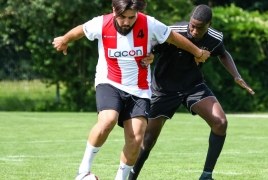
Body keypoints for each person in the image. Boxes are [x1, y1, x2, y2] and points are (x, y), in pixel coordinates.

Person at [52, 1, 210, 180]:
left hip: (139, 88)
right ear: (114, 11)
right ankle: (82, 172)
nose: (127, 22)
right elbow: (81, 30)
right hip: (109, 81)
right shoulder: (101, 23)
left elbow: (173, 38)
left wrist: (197, 52)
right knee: (107, 121)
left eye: (131, 17)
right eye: (122, 17)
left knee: (136, 138)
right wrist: (65, 40)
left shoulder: (149, 23)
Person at [128, 4, 255, 180]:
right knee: (148, 140)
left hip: (193, 86)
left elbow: (222, 53)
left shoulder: (214, 38)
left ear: (209, 25)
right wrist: (149, 56)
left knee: (220, 122)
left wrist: (236, 75)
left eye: (200, 28)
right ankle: (131, 177)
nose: (194, 31)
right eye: (192, 26)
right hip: (163, 89)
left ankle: (206, 176)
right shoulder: (173, 31)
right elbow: (150, 47)